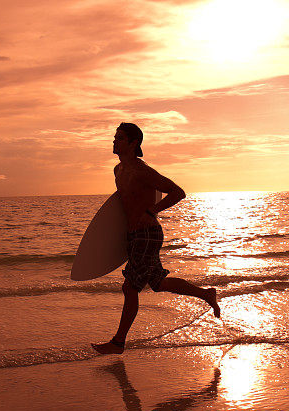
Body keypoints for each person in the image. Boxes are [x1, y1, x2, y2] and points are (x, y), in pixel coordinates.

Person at [92, 123, 220, 355]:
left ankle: (118, 342)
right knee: (158, 283)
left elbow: (177, 192)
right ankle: (206, 294)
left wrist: (152, 210)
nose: (114, 141)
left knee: (130, 287)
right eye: (115, 137)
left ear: (133, 143)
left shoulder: (143, 172)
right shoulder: (118, 170)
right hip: (133, 236)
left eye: (120, 138)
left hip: (147, 235)